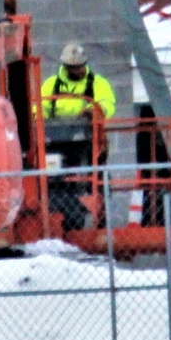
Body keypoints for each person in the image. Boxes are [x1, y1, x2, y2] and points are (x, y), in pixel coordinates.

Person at [41, 42, 116, 230]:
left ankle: (99, 218)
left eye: (81, 66)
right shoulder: (52, 84)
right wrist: (39, 118)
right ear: (66, 68)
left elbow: (107, 104)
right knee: (55, 180)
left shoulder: (97, 83)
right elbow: (39, 107)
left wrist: (92, 111)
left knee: (95, 176)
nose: (80, 70)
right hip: (56, 141)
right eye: (75, 68)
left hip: (89, 140)